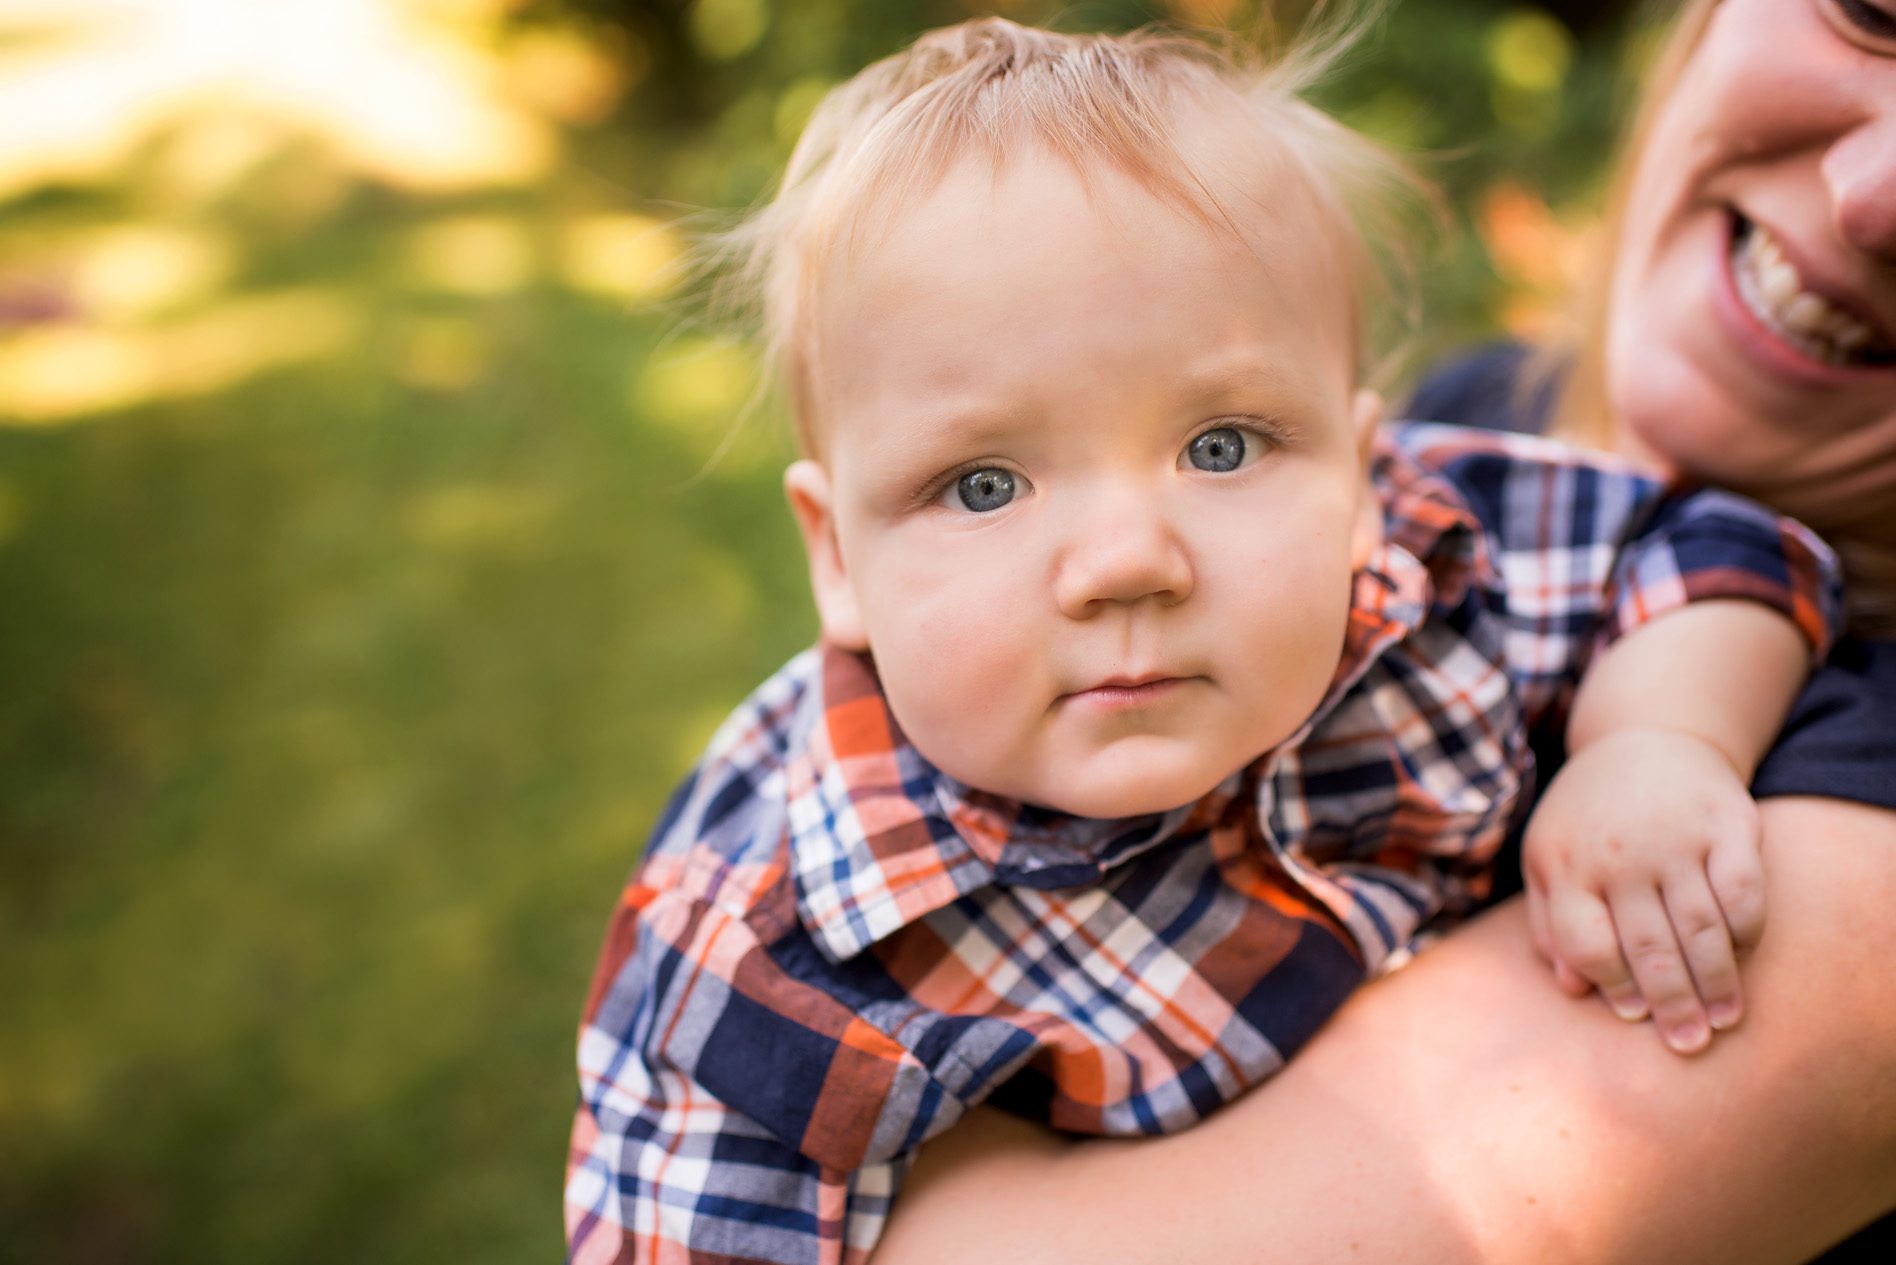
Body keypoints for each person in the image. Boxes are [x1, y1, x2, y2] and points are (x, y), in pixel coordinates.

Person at [563, 15, 1848, 1264]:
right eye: (985, 485)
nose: (1127, 558)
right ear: (837, 556)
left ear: (1356, 468)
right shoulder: (780, 944)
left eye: (1220, 446)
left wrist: (1659, 737)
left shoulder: (1424, 555)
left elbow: (1706, 544)